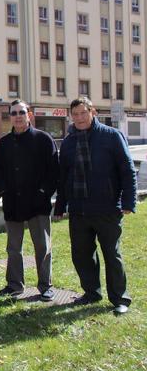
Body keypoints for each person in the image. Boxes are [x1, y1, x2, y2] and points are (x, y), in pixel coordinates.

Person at [54, 96, 136, 315]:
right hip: (79, 210)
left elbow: (127, 170)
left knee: (112, 254)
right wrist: (60, 205)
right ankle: (91, 292)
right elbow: (63, 177)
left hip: (107, 208)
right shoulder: (69, 141)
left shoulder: (111, 136)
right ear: (71, 116)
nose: (79, 118)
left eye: (83, 113)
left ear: (93, 112)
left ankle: (120, 298)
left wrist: (128, 201)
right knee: (81, 254)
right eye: (76, 114)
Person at [0, 99, 58, 301]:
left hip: (38, 203)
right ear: (10, 117)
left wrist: (42, 192)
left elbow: (53, 171)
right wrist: (2, 190)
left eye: (22, 112)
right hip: (12, 203)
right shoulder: (3, 143)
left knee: (42, 247)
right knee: (14, 248)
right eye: (14, 113)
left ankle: (45, 286)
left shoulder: (44, 139)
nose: (18, 116)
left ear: (29, 114)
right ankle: (14, 284)